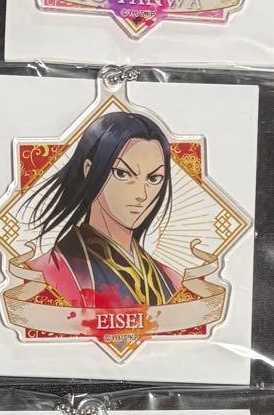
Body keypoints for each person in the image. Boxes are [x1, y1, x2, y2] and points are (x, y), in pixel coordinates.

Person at [24, 111, 182, 309]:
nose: (141, 194)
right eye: (123, 174)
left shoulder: (172, 280)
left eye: (154, 178)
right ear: (89, 170)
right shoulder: (46, 275)